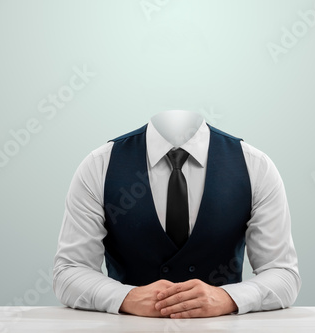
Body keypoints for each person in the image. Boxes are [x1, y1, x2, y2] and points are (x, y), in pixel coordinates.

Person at [53, 110, 301, 318]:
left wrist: (228, 298)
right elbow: (69, 271)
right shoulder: (99, 165)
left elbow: (283, 273)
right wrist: (126, 297)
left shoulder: (255, 166)